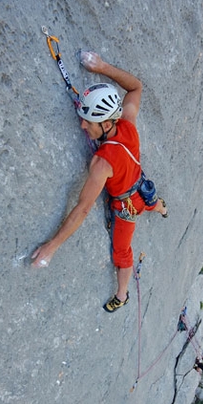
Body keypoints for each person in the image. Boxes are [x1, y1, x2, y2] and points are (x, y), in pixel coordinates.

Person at [31, 51, 167, 312]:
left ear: (106, 123)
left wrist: (52, 247)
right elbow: (135, 87)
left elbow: (82, 208)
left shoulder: (102, 164)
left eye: (89, 122)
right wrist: (101, 67)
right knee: (152, 202)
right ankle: (162, 208)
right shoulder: (127, 123)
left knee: (122, 253)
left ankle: (123, 294)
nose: (83, 126)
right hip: (142, 184)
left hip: (126, 207)